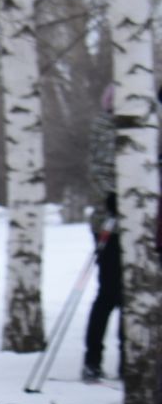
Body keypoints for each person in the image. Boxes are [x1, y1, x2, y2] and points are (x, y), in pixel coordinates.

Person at [84, 87, 122, 384]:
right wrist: (110, 197)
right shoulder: (103, 127)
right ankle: (92, 358)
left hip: (145, 225)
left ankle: (130, 358)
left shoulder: (149, 125)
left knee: (137, 295)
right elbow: (97, 169)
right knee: (110, 292)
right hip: (108, 221)